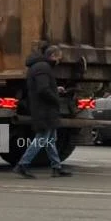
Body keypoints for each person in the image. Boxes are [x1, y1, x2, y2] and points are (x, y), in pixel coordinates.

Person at [14, 44, 72, 178]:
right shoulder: (43, 68)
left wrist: (55, 89)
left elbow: (42, 87)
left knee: (51, 139)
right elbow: (42, 89)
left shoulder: (40, 67)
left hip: (45, 109)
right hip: (44, 110)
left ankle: (56, 167)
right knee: (42, 138)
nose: (59, 61)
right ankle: (22, 164)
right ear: (53, 56)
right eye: (59, 58)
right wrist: (56, 99)